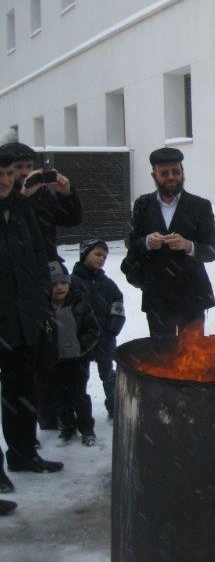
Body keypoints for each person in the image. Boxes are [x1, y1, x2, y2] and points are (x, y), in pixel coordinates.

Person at [7, 141, 83, 431]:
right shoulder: (10, 199)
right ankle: (40, 415)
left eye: (30, 167)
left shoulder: (43, 196)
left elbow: (73, 219)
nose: (25, 174)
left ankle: (56, 411)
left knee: (53, 347)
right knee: (27, 353)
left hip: (49, 272)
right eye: (18, 169)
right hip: (18, 284)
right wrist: (23, 196)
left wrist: (66, 192)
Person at [0, 146, 63, 495]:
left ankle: (23, 454)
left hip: (23, 318)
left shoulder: (22, 209)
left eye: (9, 173)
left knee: (20, 390)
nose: (6, 181)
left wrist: (41, 296)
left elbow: (40, 256)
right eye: (0, 174)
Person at [124, 147, 215, 337]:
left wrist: (188, 245)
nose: (171, 177)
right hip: (157, 297)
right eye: (164, 173)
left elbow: (212, 252)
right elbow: (131, 245)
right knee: (162, 360)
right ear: (154, 175)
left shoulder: (200, 206)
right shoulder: (142, 205)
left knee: (192, 357)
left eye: (176, 171)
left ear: (182, 172)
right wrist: (147, 242)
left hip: (192, 295)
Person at [42, 263, 99, 446]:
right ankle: (67, 426)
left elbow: (93, 329)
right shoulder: (43, 307)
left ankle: (87, 428)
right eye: (54, 284)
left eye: (63, 283)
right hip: (54, 360)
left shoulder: (79, 302)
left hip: (77, 359)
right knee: (60, 396)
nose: (59, 287)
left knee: (79, 395)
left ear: (69, 283)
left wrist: (82, 347)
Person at [71, 239, 126, 421]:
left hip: (105, 339)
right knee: (78, 379)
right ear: (85, 254)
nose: (101, 258)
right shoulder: (73, 282)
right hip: (81, 341)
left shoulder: (108, 284)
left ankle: (114, 406)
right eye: (97, 254)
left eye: (104, 256)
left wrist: (113, 326)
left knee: (108, 375)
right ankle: (80, 414)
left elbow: (118, 303)